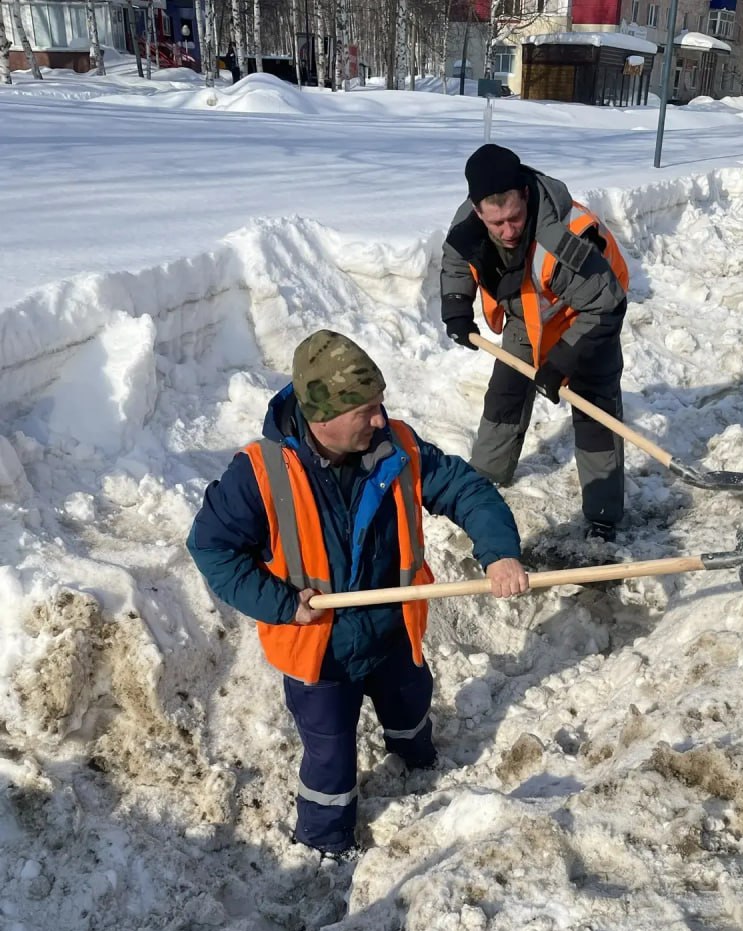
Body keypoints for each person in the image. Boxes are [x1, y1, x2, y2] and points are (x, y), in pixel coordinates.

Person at [187, 330, 528, 860]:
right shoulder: (259, 473)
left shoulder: (398, 448)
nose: (379, 420)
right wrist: (281, 604)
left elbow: (466, 490)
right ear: (322, 417)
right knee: (330, 756)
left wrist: (500, 552)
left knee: (410, 704)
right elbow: (212, 547)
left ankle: (415, 757)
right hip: (319, 650)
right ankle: (325, 842)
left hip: (393, 629)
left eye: (380, 404)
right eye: (365, 411)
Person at [440, 143, 630, 542]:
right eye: (497, 223)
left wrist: (561, 362)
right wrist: (456, 305)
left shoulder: (566, 238)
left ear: (525, 196)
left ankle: (602, 516)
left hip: (588, 317)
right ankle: (486, 479)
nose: (508, 231)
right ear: (477, 211)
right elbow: (457, 258)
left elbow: (607, 304)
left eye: (515, 218)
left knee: (594, 410)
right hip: (528, 314)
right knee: (505, 394)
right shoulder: (469, 222)